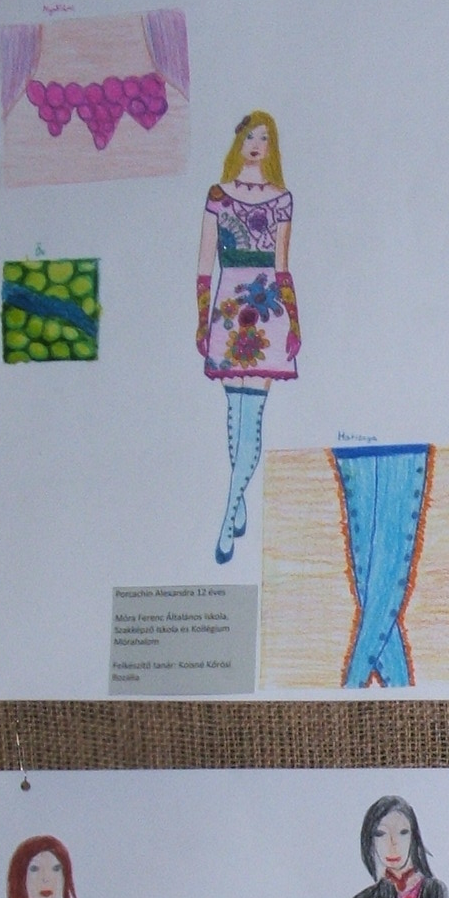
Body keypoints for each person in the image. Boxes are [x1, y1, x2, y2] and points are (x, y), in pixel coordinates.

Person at [196, 111, 299, 564]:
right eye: (250, 136)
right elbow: (205, 265)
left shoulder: (282, 199)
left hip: (268, 307)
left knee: (252, 416)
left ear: (272, 147)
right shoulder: (217, 196)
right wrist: (201, 320)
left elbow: (282, 266)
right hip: (227, 307)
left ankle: (228, 515)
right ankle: (237, 502)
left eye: (265, 138)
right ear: (238, 143)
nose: (257, 144)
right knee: (234, 415)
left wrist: (294, 322)